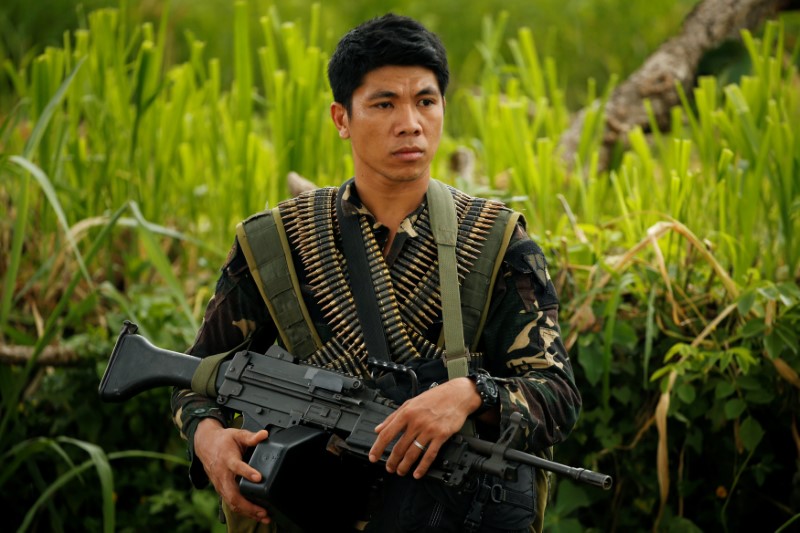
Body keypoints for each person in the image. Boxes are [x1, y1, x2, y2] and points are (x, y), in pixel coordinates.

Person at [171, 13, 581, 533]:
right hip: (306, 510)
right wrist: (208, 438)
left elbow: (558, 395)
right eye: (384, 103)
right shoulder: (277, 243)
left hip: (445, 514)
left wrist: (473, 394)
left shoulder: (497, 243)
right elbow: (196, 372)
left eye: (425, 102)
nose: (409, 122)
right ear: (341, 119)